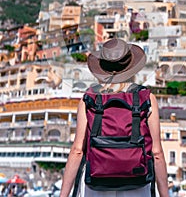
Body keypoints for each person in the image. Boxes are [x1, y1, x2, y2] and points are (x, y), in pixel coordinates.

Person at [60, 38, 169, 197]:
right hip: (137, 184)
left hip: (96, 184)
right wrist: (165, 194)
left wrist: (63, 195)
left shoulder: (89, 99)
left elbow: (77, 150)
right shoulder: (146, 98)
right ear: (131, 67)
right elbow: (157, 153)